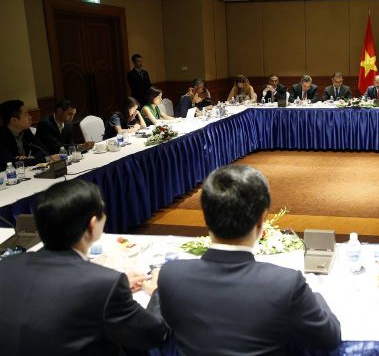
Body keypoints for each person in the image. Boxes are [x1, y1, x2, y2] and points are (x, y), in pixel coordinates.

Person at [158, 165, 341, 355]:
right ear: (262, 220)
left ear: (205, 216)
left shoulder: (170, 275)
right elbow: (329, 338)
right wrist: (315, 292)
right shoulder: (286, 284)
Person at [0, 180, 168, 356]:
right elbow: (154, 334)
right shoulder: (105, 284)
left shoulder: (6, 265)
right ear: (93, 224)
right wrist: (159, 292)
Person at [0, 100, 59, 170]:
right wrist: (46, 159)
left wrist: (30, 158)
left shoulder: (26, 131)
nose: (30, 117)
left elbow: (44, 150)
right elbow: (11, 163)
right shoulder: (1, 136)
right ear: (13, 120)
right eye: (26, 114)